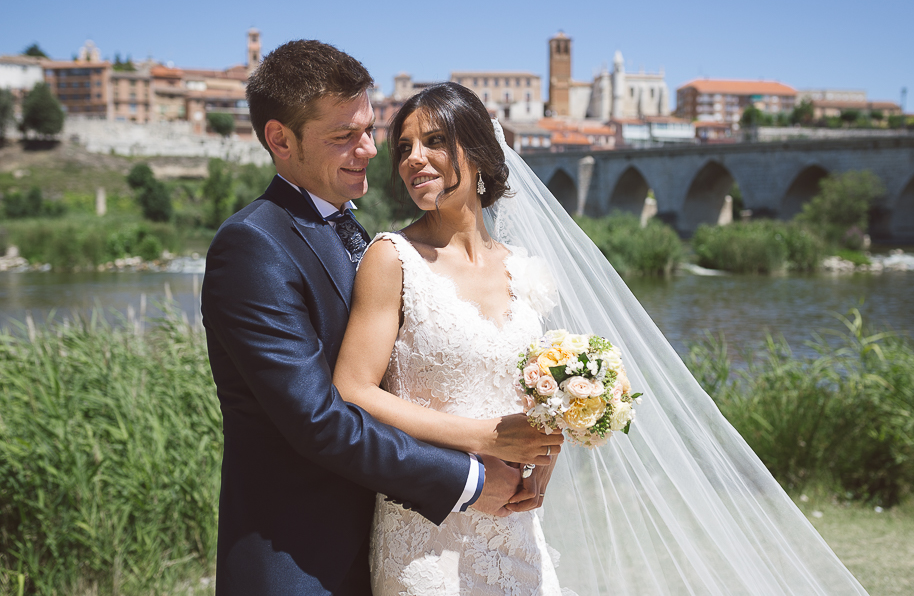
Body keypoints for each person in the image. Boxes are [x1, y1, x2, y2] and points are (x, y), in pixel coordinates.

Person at [335, 82, 870, 595]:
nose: (412, 159)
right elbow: (354, 390)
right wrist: (484, 438)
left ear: (477, 153)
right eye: (404, 146)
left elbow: (539, 392)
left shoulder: (524, 270)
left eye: (433, 141)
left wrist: (546, 455)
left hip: (514, 525)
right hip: (426, 530)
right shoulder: (392, 258)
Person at [201, 41, 560, 596]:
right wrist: (469, 478)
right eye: (344, 136)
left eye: (369, 131)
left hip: (395, 545)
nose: (369, 150)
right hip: (301, 560)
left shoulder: (359, 236)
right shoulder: (254, 246)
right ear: (280, 140)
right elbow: (321, 420)